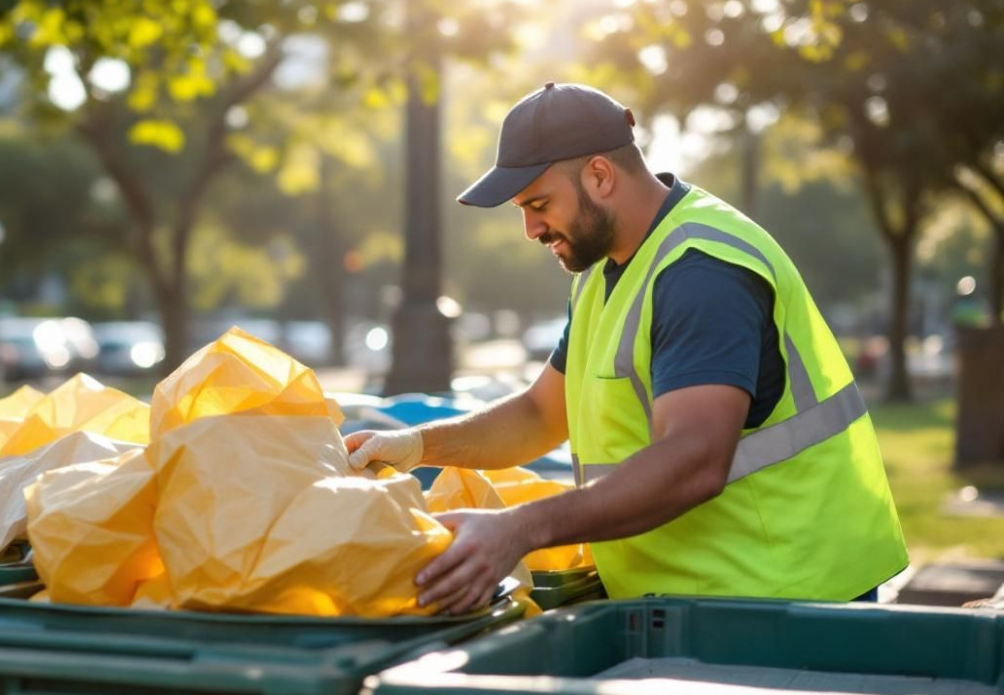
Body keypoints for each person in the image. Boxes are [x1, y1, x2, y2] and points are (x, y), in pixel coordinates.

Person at [346, 82, 908, 614]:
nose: (530, 229)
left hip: (784, 600)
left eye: (538, 203)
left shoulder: (701, 271)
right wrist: (415, 445)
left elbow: (693, 462)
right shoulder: (601, 272)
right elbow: (542, 414)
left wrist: (520, 528)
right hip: (706, 597)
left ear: (599, 175)